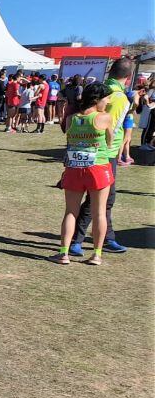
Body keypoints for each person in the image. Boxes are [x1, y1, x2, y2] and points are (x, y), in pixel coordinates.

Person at [70, 57, 134, 257]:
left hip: (85, 150)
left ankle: (107, 238)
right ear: (129, 77)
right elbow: (110, 127)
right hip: (105, 154)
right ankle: (79, 240)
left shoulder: (99, 88)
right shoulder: (119, 97)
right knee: (101, 199)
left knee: (101, 199)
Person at [53, 82, 115, 265]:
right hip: (98, 168)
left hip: (74, 168)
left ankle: (63, 253)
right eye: (106, 97)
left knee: (70, 212)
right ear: (97, 99)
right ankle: (96, 254)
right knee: (99, 213)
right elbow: (110, 141)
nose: (109, 101)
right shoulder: (104, 117)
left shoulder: (71, 118)